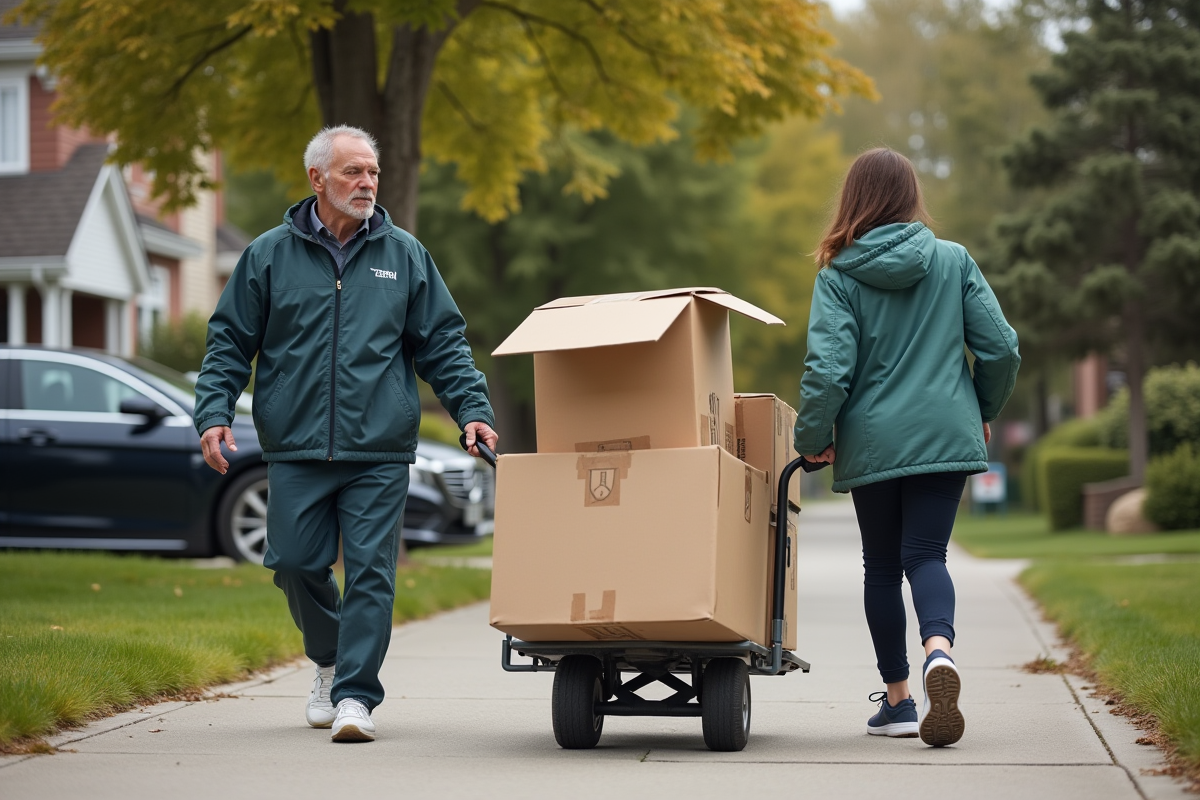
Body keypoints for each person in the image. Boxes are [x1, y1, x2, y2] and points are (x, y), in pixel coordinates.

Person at [193, 125, 498, 743]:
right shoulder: (268, 255)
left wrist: (470, 408)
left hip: (377, 447)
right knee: (294, 562)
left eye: (373, 173)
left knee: (370, 574)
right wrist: (213, 412)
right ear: (317, 179)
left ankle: (356, 696)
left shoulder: (404, 255)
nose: (366, 184)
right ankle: (330, 661)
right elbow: (229, 340)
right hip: (297, 444)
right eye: (353, 173)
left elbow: (441, 341)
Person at [793, 148, 1020, 747]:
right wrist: (982, 410)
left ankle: (897, 702)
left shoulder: (839, 275)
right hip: (946, 432)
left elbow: (828, 370)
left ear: (853, 200)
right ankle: (938, 652)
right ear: (910, 196)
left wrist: (813, 438)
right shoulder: (953, 261)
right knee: (927, 555)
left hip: (872, 445)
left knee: (881, 568)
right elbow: (1001, 349)